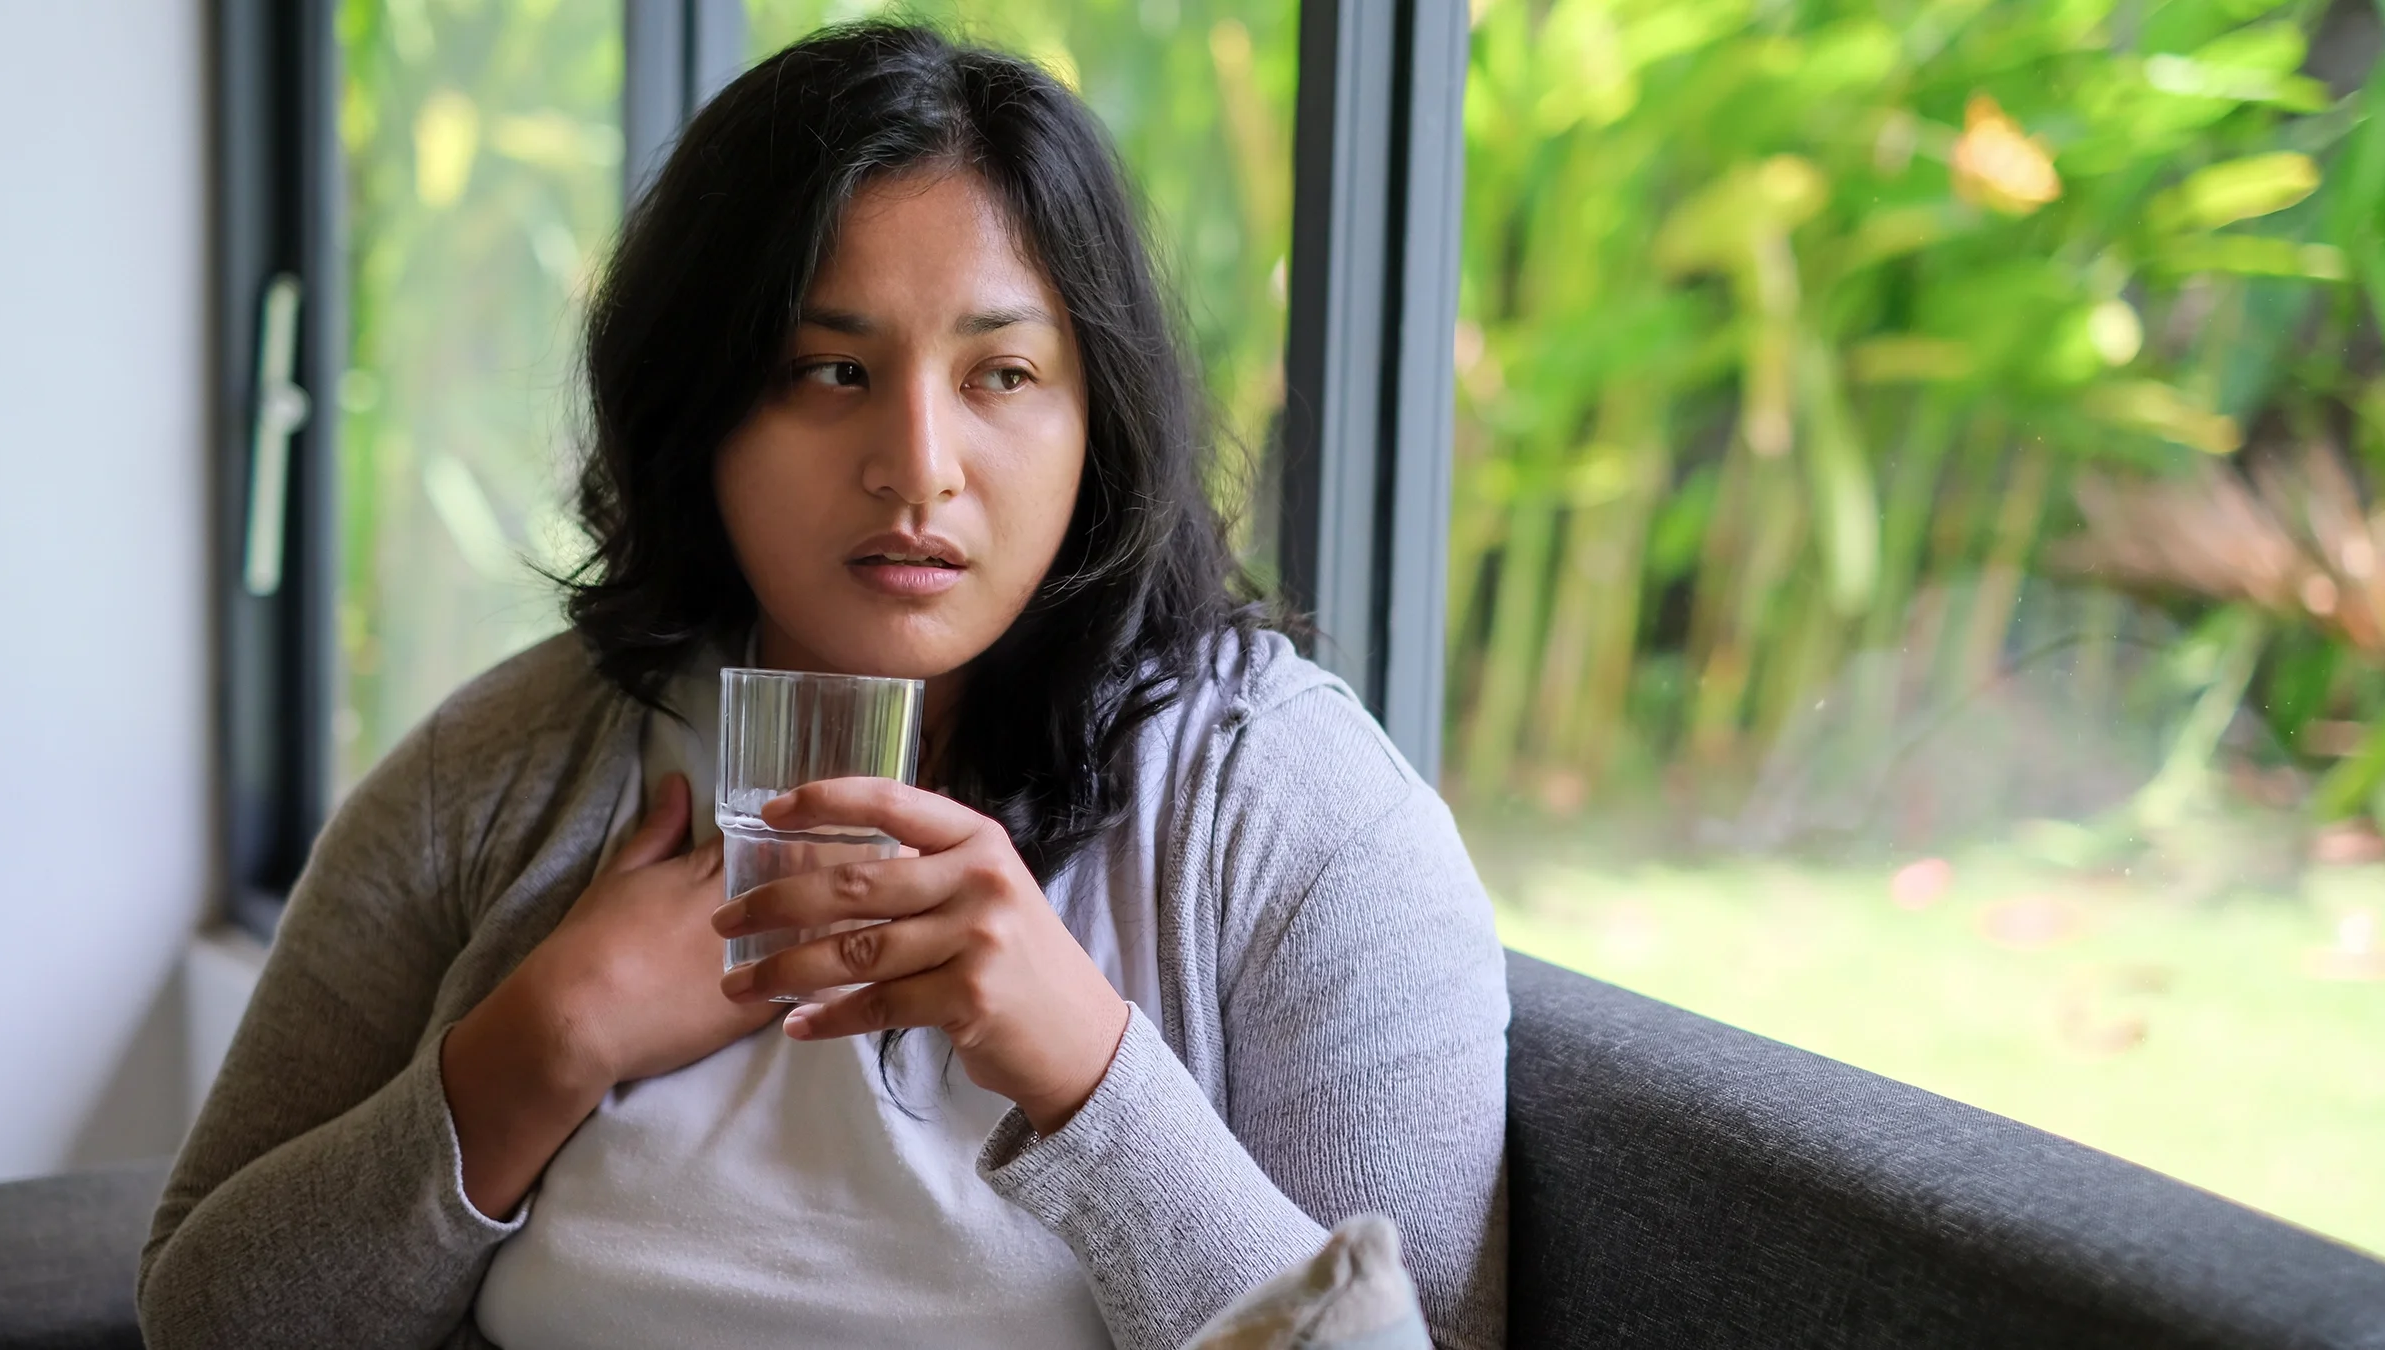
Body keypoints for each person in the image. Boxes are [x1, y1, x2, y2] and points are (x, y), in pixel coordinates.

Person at [138, 23, 1507, 1350]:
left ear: (1101, 422)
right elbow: (202, 1310)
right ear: (701, 405)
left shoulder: (1299, 814)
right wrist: (545, 1040)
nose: (917, 464)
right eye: (831, 370)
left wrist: (1090, 1074)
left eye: (1004, 373)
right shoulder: (500, 770)